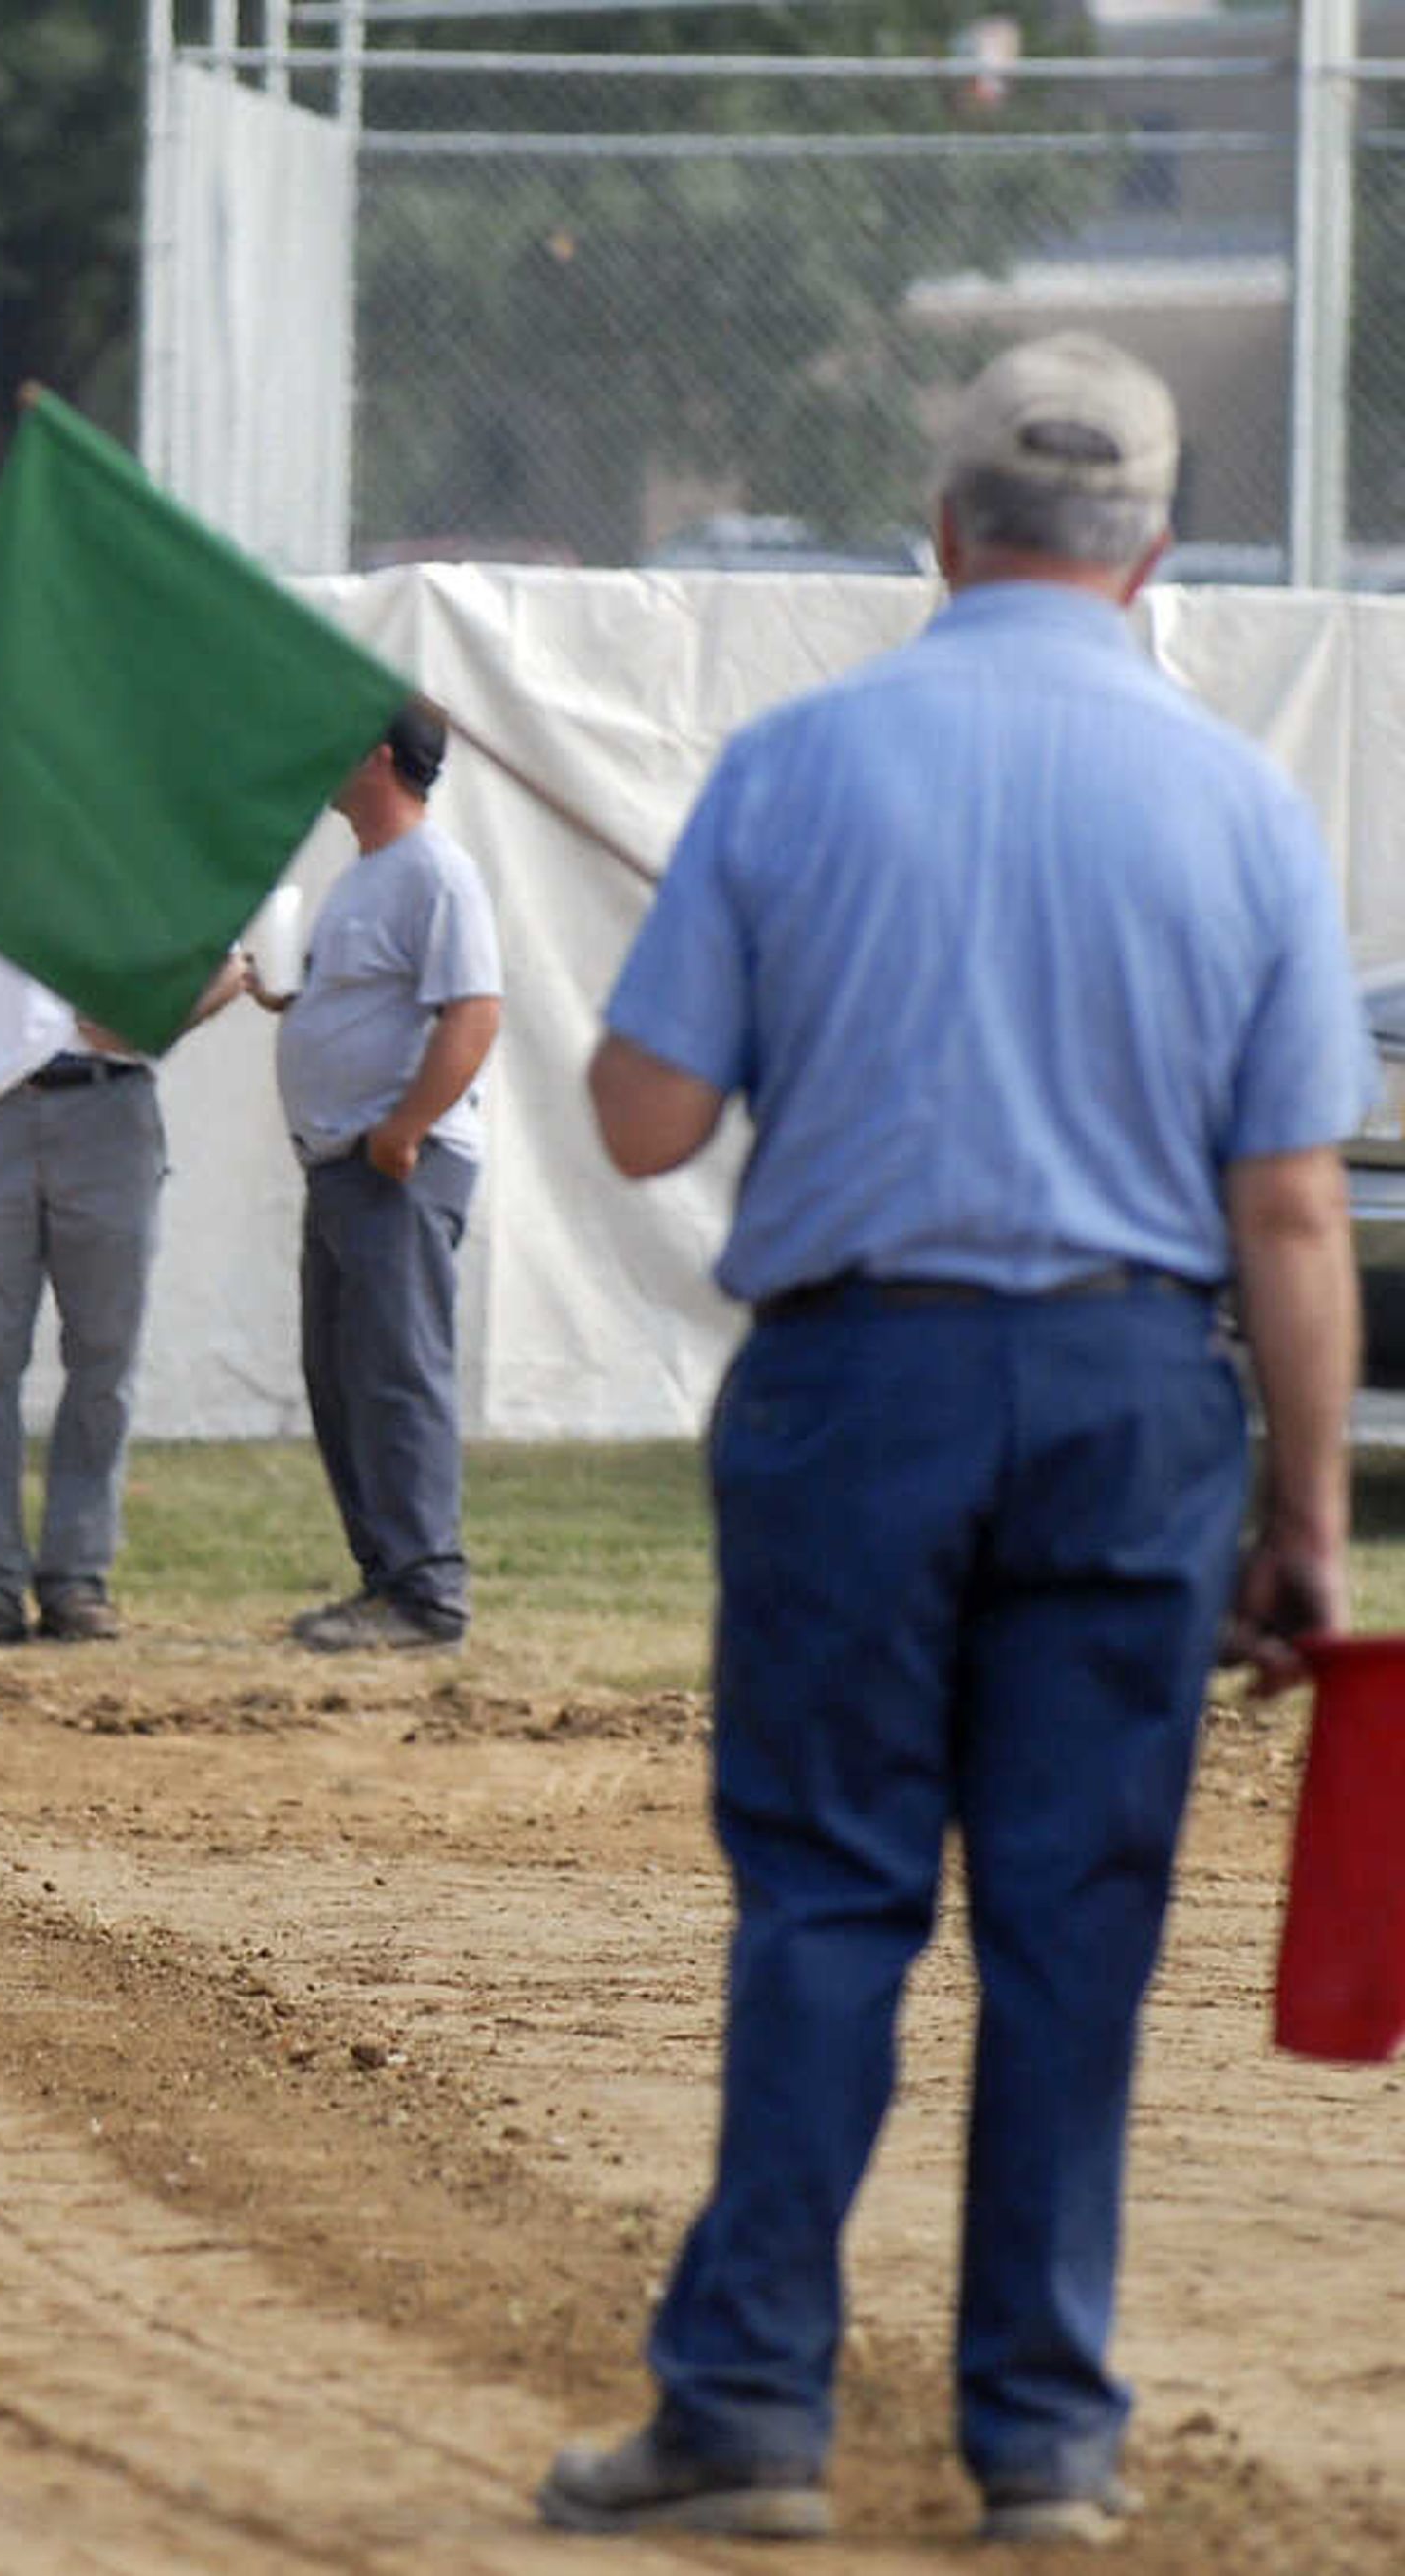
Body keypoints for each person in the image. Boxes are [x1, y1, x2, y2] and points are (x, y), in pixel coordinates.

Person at [542, 332, 1368, 2550]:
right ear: (1152, 559)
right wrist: (1303, 1519)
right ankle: (1042, 2443)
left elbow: (640, 1122)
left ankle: (742, 2407)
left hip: (857, 1382)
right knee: (1068, 1923)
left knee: (822, 1892)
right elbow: (1284, 1202)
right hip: (1128, 1399)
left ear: (940, 533)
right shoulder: (1234, 803)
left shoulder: (797, 762)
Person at [0, 935, 251, 1646]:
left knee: (104, 1357)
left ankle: (77, 1577)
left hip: (112, 1102)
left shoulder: (144, 842)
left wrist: (151, 1021)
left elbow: (232, 964)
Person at [256, 698, 500, 1652]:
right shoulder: (366, 876)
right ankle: (385, 1579)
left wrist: (405, 1127)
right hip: (343, 1163)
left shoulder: (436, 873)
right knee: (343, 1374)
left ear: (382, 756)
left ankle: (427, 1591)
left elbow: (473, 1013)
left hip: (397, 1162)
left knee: (396, 1373)